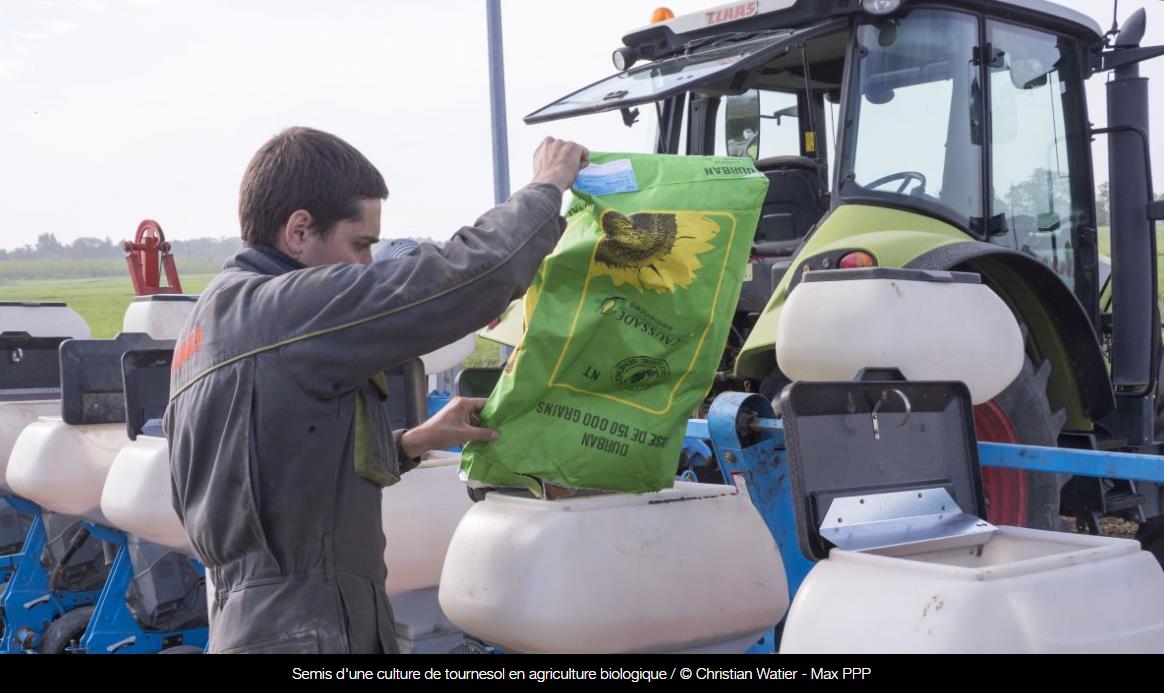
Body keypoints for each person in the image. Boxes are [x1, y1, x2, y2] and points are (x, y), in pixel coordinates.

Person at [164, 126, 587, 653]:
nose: (366, 264)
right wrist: (546, 187)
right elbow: (468, 278)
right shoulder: (285, 309)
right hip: (310, 631)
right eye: (359, 243)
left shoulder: (206, 327)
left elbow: (275, 472)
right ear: (299, 231)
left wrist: (414, 441)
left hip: (252, 626)